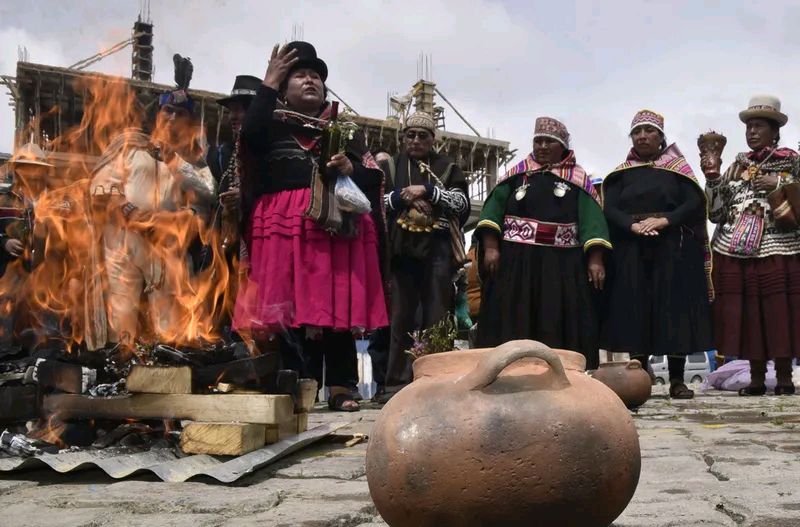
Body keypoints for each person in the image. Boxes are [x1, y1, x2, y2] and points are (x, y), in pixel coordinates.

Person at [234, 42, 387, 411]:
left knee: (335, 301)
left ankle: (340, 386)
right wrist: (267, 83)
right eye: (300, 75)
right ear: (283, 88)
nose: (310, 81)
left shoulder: (344, 131)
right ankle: (296, 385)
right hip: (283, 225)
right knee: (286, 306)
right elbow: (247, 137)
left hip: (334, 227)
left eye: (316, 76)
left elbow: (372, 177)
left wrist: (353, 169)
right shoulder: (268, 123)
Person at [89, 55, 216, 350]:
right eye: (167, 111)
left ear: (189, 121)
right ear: (158, 115)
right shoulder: (130, 146)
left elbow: (207, 195)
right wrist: (125, 210)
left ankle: (163, 367)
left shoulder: (193, 161)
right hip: (122, 237)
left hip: (167, 243)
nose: (171, 118)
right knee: (121, 309)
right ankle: (118, 365)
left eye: (179, 114)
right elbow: (101, 183)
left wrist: (174, 220)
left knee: (168, 316)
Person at [475, 117, 610, 369]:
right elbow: (492, 211)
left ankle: (563, 372)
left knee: (556, 319)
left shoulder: (579, 181)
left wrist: (595, 259)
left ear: (563, 147)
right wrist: (492, 247)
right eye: (538, 141)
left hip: (561, 266)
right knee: (513, 316)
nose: (543, 146)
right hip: (516, 264)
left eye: (550, 141)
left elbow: (592, 222)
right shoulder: (516, 176)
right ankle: (509, 370)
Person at [603, 109, 713, 398]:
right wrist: (633, 225)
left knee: (673, 308)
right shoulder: (621, 174)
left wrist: (665, 220)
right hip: (632, 249)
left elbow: (693, 203)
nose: (642, 136)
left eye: (648, 131)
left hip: (672, 248)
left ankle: (677, 380)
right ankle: (640, 377)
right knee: (635, 308)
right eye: (636, 132)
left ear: (661, 137)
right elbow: (610, 208)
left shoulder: (677, 170)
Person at [704, 95, 799, 396]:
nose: (752, 132)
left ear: (774, 130)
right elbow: (717, 212)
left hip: (780, 247)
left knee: (779, 313)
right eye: (748, 127)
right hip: (737, 250)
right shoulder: (737, 166)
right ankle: (756, 378)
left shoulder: (793, 161)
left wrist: (779, 185)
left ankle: (784, 376)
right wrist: (713, 180)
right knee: (749, 314)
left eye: (759, 126)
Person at [381, 111, 470, 398]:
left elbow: (461, 203)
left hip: (438, 253)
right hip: (401, 252)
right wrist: (399, 197)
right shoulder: (392, 167)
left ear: (433, 140)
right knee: (401, 318)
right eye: (411, 134)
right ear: (403, 137)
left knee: (437, 316)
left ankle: (436, 383)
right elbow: (374, 203)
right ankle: (396, 385)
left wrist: (429, 192)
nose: (416, 140)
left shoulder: (447, 168)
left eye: (423, 135)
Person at [0, 143, 53, 355]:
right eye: (26, 167)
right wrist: (4, 242)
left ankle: (26, 359)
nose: (31, 173)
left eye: (35, 168)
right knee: (6, 311)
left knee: (33, 316)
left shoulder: (48, 200)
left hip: (36, 272)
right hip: (7, 272)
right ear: (17, 170)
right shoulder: (4, 199)